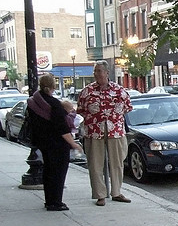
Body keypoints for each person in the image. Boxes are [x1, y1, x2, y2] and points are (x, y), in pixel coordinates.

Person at [77, 60, 133, 206]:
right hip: (94, 131)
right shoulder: (87, 91)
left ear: (107, 73)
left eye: (99, 71)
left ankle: (116, 192)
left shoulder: (119, 90)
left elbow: (128, 107)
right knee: (95, 164)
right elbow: (80, 110)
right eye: (95, 71)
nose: (96, 74)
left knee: (117, 163)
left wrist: (114, 117)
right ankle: (99, 194)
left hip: (115, 131)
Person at [27, 73, 84, 211]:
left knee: (48, 171)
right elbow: (62, 129)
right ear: (53, 86)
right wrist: (74, 144)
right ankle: (56, 202)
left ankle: (49, 200)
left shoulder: (33, 102)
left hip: (43, 142)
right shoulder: (54, 105)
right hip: (58, 144)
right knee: (58, 173)